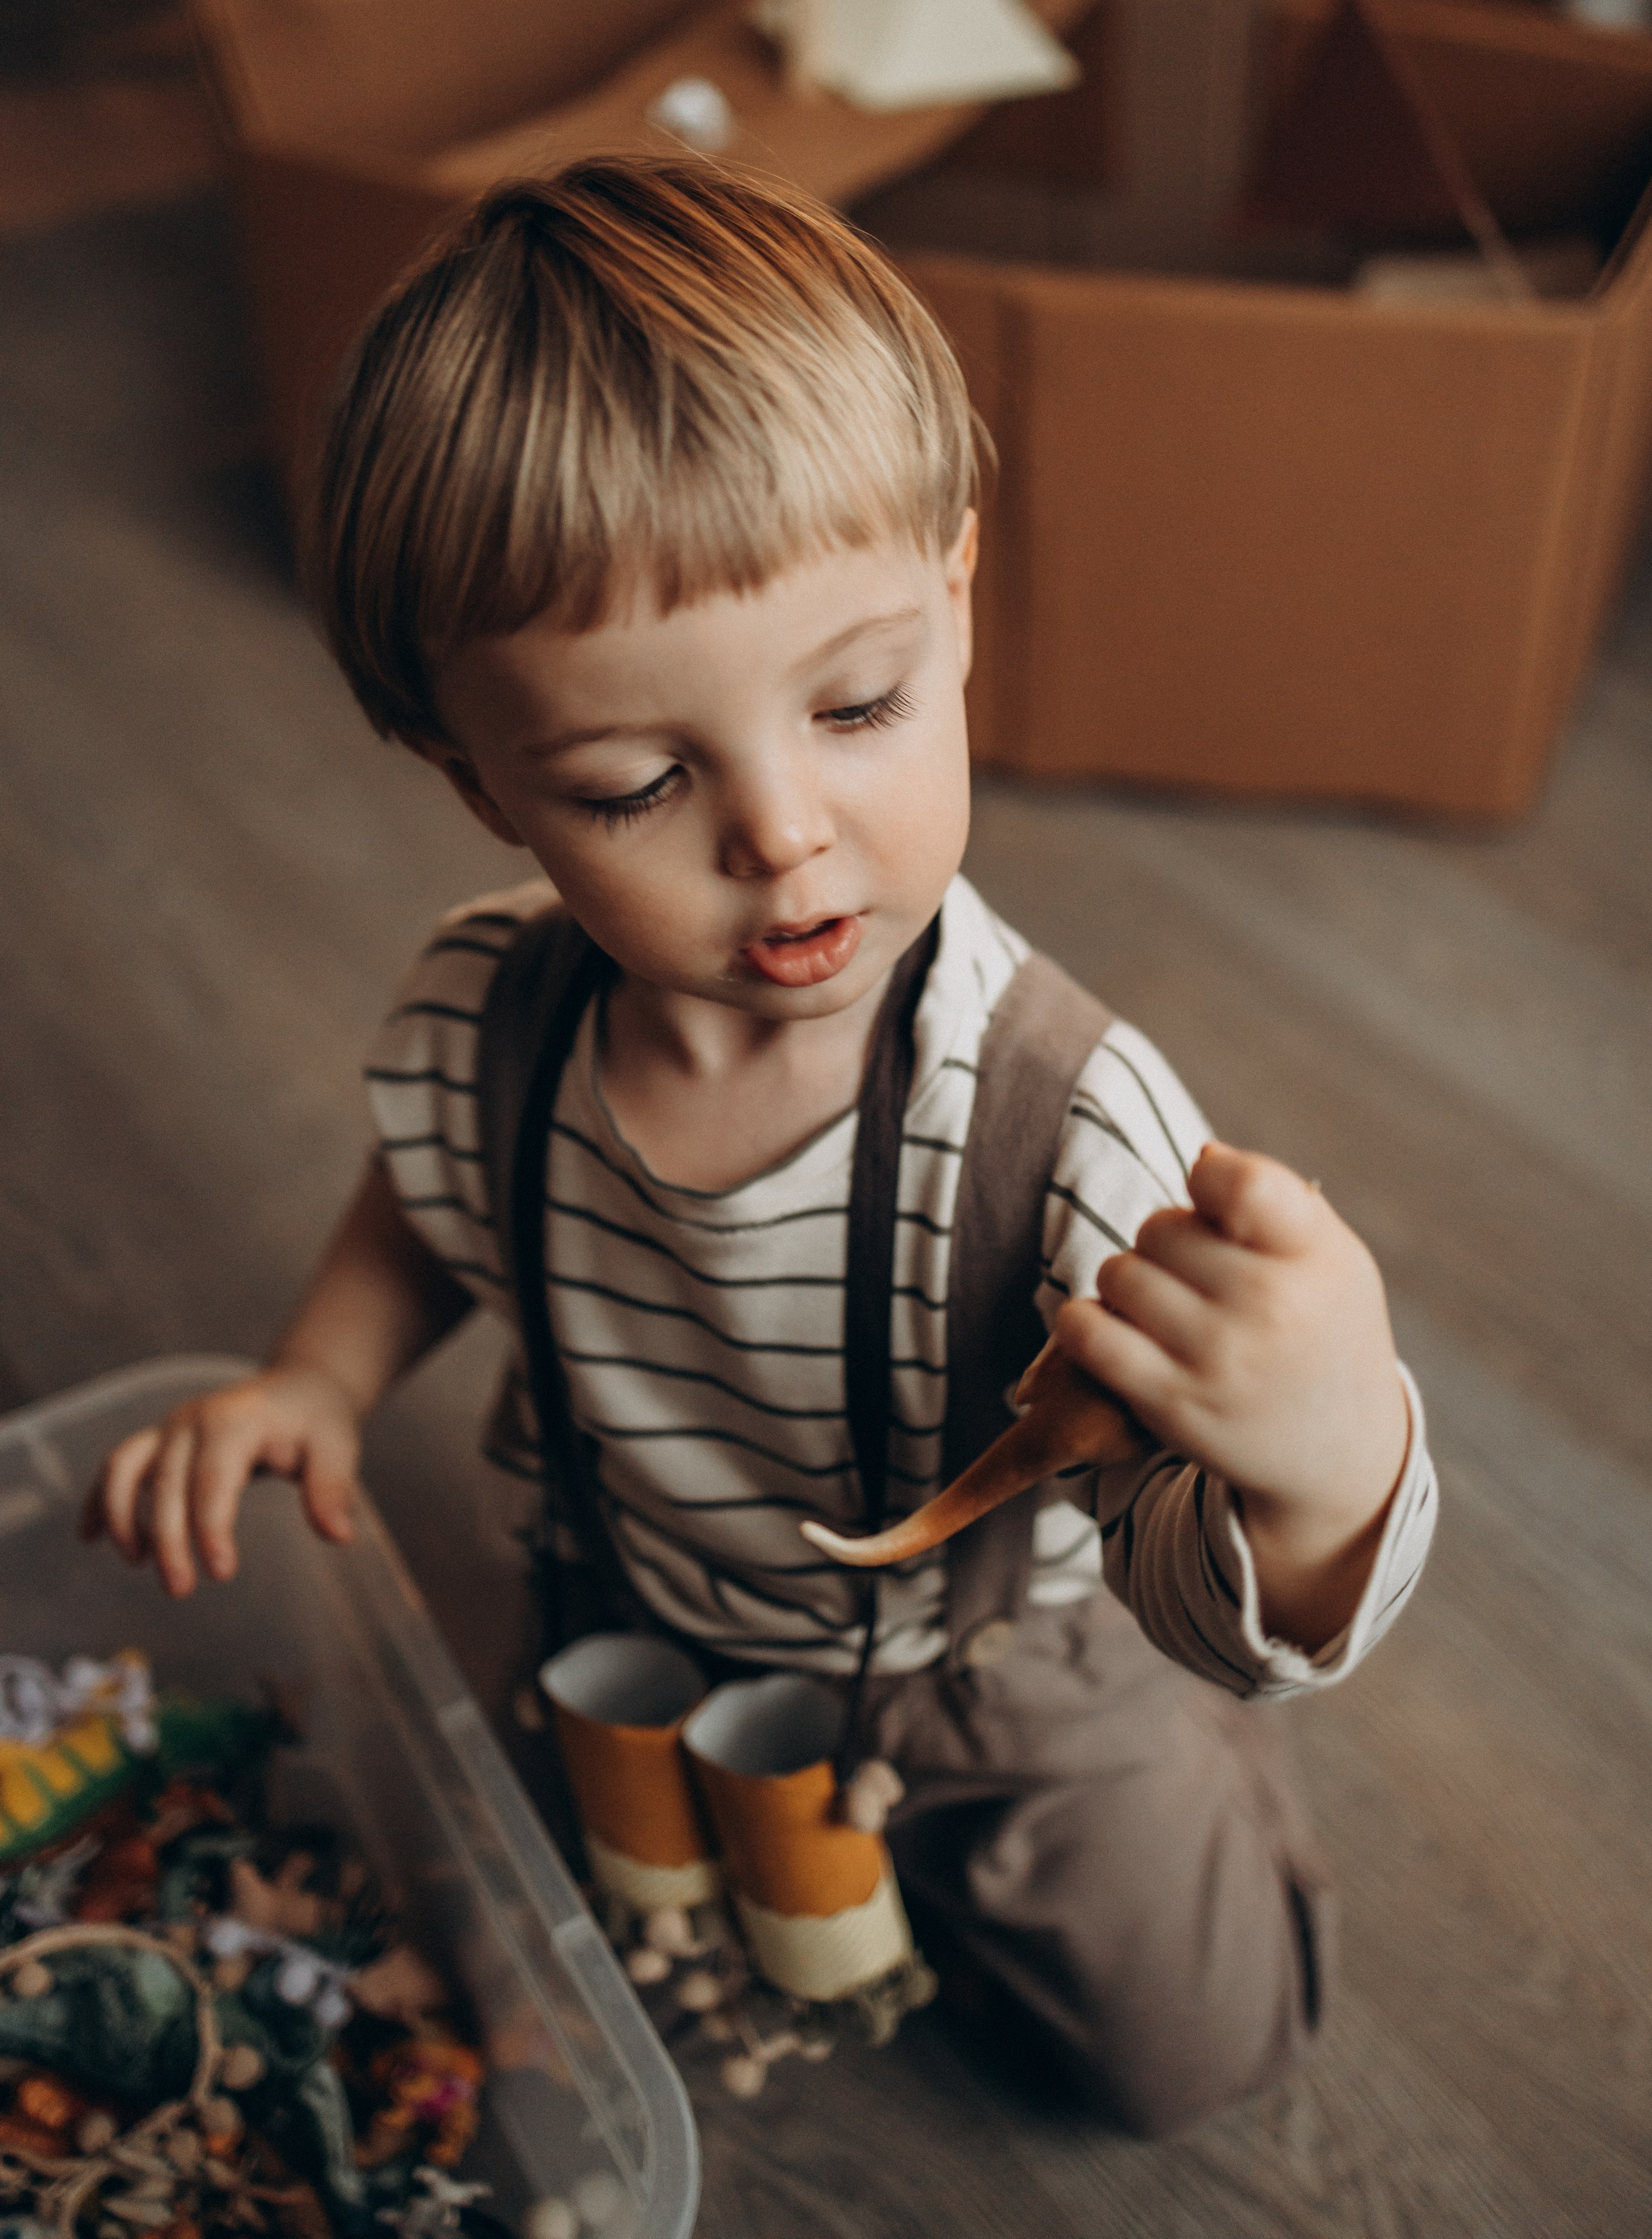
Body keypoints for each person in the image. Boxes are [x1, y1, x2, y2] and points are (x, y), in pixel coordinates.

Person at [84, 158, 1436, 2136]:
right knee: (554, 1945)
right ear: (481, 785)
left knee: (1189, 2061)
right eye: (636, 783)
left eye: (863, 702)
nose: (784, 830)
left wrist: (1327, 1466)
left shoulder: (1068, 1127)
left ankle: (1186, 1836)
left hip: (992, 1678)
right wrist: (320, 1368)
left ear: (957, 606)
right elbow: (430, 1203)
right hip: (625, 1610)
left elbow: (1189, 1557)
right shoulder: (488, 1020)